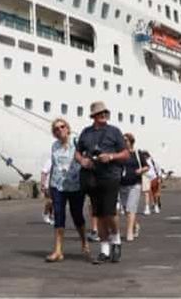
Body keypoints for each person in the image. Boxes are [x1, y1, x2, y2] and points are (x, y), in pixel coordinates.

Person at [75, 101, 129, 265]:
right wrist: (83, 161)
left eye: (105, 112)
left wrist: (111, 157)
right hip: (92, 177)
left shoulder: (114, 131)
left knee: (110, 213)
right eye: (100, 113)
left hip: (110, 175)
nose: (104, 115)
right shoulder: (86, 132)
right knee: (98, 214)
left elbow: (126, 153)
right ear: (94, 116)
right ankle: (104, 250)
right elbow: (77, 152)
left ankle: (117, 241)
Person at [45, 118, 89, 262]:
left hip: (76, 185)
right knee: (58, 216)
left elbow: (85, 160)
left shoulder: (76, 142)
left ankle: (83, 240)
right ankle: (58, 251)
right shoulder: (54, 146)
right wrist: (48, 189)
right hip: (58, 186)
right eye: (56, 129)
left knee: (77, 215)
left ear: (68, 128)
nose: (60, 130)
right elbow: (54, 166)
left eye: (62, 127)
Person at [119, 133, 148, 242]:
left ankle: (129, 232)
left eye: (126, 140)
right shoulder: (120, 154)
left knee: (131, 208)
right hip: (122, 184)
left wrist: (140, 170)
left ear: (131, 141)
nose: (124, 142)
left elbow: (146, 166)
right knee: (127, 209)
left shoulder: (137, 153)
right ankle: (135, 225)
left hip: (135, 184)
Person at [40, 158, 54, 225]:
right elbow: (43, 173)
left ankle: (51, 216)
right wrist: (42, 184)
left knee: (55, 202)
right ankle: (45, 213)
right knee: (50, 201)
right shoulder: (50, 161)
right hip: (48, 185)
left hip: (56, 185)